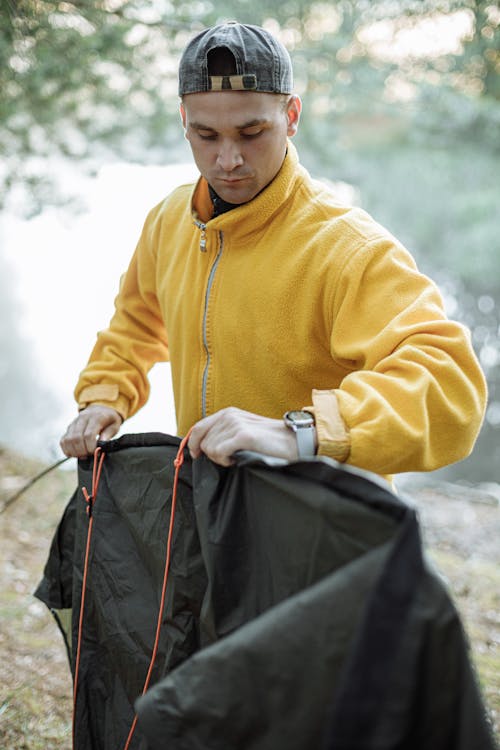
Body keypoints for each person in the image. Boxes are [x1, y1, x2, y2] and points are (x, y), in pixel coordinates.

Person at [60, 21, 486, 481]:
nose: (228, 160)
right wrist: (105, 395)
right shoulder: (169, 221)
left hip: (322, 534)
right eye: (207, 136)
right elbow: (136, 326)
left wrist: (300, 432)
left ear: (292, 116)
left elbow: (449, 386)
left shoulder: (348, 247)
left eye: (251, 132)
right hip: (207, 517)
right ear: (184, 122)